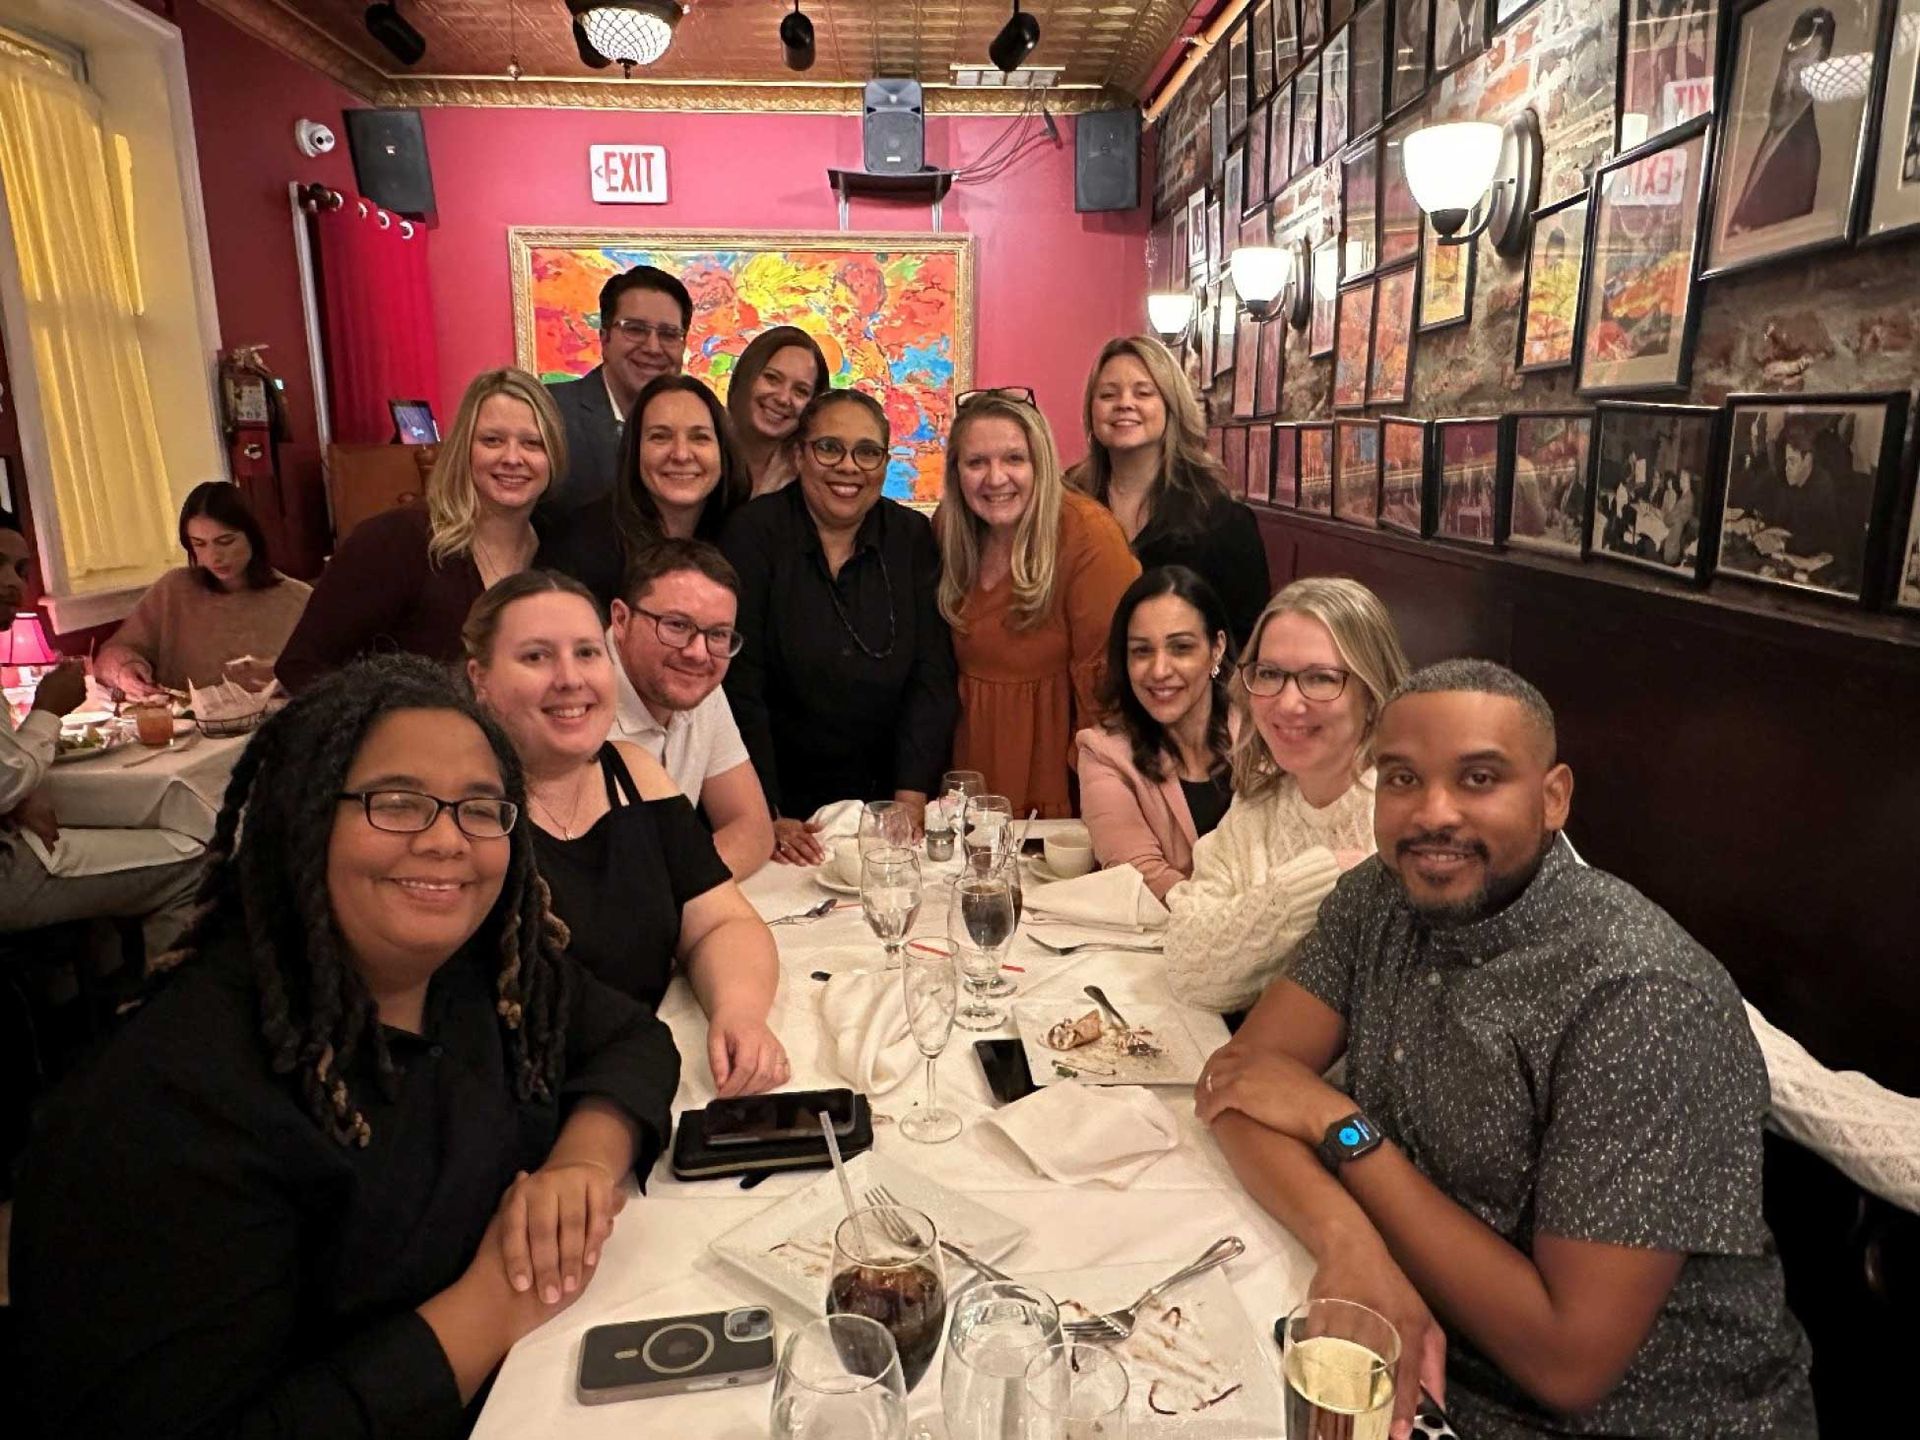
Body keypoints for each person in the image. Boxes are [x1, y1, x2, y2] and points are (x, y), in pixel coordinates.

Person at [11, 655, 684, 1437]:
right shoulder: (171, 1103)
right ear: (303, 817)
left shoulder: (480, 978)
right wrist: (492, 1304)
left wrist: (581, 1164)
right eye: (397, 803)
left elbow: (632, 1040)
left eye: (479, 808)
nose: (446, 840)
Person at [1195, 660, 1816, 1439]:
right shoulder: (1379, 898)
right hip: (1423, 1359)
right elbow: (1234, 1085)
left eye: (1479, 778)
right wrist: (1350, 1247)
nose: (1433, 813)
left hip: (1648, 1419)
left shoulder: (1641, 997)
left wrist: (1342, 1128)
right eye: (1402, 778)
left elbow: (1568, 1362)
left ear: (1553, 797)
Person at [465, 571, 787, 1097]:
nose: (570, 678)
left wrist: (739, 1013)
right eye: (536, 656)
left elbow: (720, 922)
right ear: (480, 678)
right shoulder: (463, 814)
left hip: (648, 1079)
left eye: (587, 653)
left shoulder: (633, 775)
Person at [722, 389, 958, 861]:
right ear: (799, 455)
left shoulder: (911, 537)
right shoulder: (751, 533)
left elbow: (931, 673)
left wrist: (911, 796)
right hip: (781, 805)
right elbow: (740, 684)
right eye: (829, 448)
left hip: (887, 802)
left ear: (884, 464)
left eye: (867, 452)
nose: (849, 467)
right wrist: (764, 812)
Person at [1164, 577, 1409, 1014]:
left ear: (1372, 695)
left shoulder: (1406, 819)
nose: (1288, 703)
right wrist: (1320, 880)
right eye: (1270, 674)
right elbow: (1188, 971)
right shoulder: (1260, 805)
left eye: (1320, 678)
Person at [277, 368, 560, 694]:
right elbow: (301, 667)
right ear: (463, 449)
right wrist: (388, 724)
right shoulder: (394, 541)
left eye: (532, 443)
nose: (512, 457)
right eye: (492, 440)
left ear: (554, 454)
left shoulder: (562, 549)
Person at [0, 523, 203, 962]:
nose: (13, 583)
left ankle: (102, 978)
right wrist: (47, 711)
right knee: (196, 859)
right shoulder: (173, 590)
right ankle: (165, 996)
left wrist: (15, 799)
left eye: (21, 570)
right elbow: (6, 779)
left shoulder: (288, 595)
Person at [938, 388, 1140, 819]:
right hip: (964, 771)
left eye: (1014, 459)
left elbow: (1109, 692)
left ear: (1041, 463)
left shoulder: (1088, 536)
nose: (995, 478)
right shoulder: (948, 530)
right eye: (976, 462)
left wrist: (1100, 802)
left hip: (1054, 777)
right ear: (956, 472)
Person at [1068, 336, 1270, 642]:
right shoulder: (1065, 503)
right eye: (1108, 394)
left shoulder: (1222, 518)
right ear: (1091, 411)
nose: (1124, 403)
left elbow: (1246, 639)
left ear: (1170, 405)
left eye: (1143, 392)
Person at [606, 539, 773, 880]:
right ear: (621, 619)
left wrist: (677, 887)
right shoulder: (574, 698)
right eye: (677, 625)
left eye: (719, 634)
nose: (698, 653)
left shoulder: (697, 682)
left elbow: (753, 829)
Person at [1076, 565, 1236, 903]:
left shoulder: (1261, 733)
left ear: (1216, 648)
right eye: (1142, 651)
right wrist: (1238, 918)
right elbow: (1141, 876)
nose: (1159, 670)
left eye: (1181, 648)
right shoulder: (1104, 752)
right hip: (1166, 932)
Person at [539, 374, 748, 610]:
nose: (681, 454)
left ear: (722, 450)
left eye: (700, 438)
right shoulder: (577, 545)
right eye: (660, 437)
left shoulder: (746, 540)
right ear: (634, 450)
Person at [94, 481, 311, 698]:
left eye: (225, 541)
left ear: (253, 537)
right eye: (199, 544)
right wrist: (125, 670)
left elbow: (325, 679)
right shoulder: (173, 590)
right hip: (185, 718)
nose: (214, 556)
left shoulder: (299, 599)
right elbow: (111, 655)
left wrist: (285, 677)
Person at [543, 264, 692, 513]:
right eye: (635, 329)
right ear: (604, 338)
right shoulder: (548, 413)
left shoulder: (703, 426)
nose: (653, 348)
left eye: (668, 334)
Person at [1728, 8, 1833, 235]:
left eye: (1802, 68)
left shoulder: (1804, 150)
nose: (1788, 77)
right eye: (1788, 62)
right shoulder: (1765, 125)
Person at [726, 325, 831, 497]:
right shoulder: (701, 448)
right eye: (772, 378)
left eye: (801, 391)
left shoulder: (811, 478)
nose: (783, 399)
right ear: (746, 376)